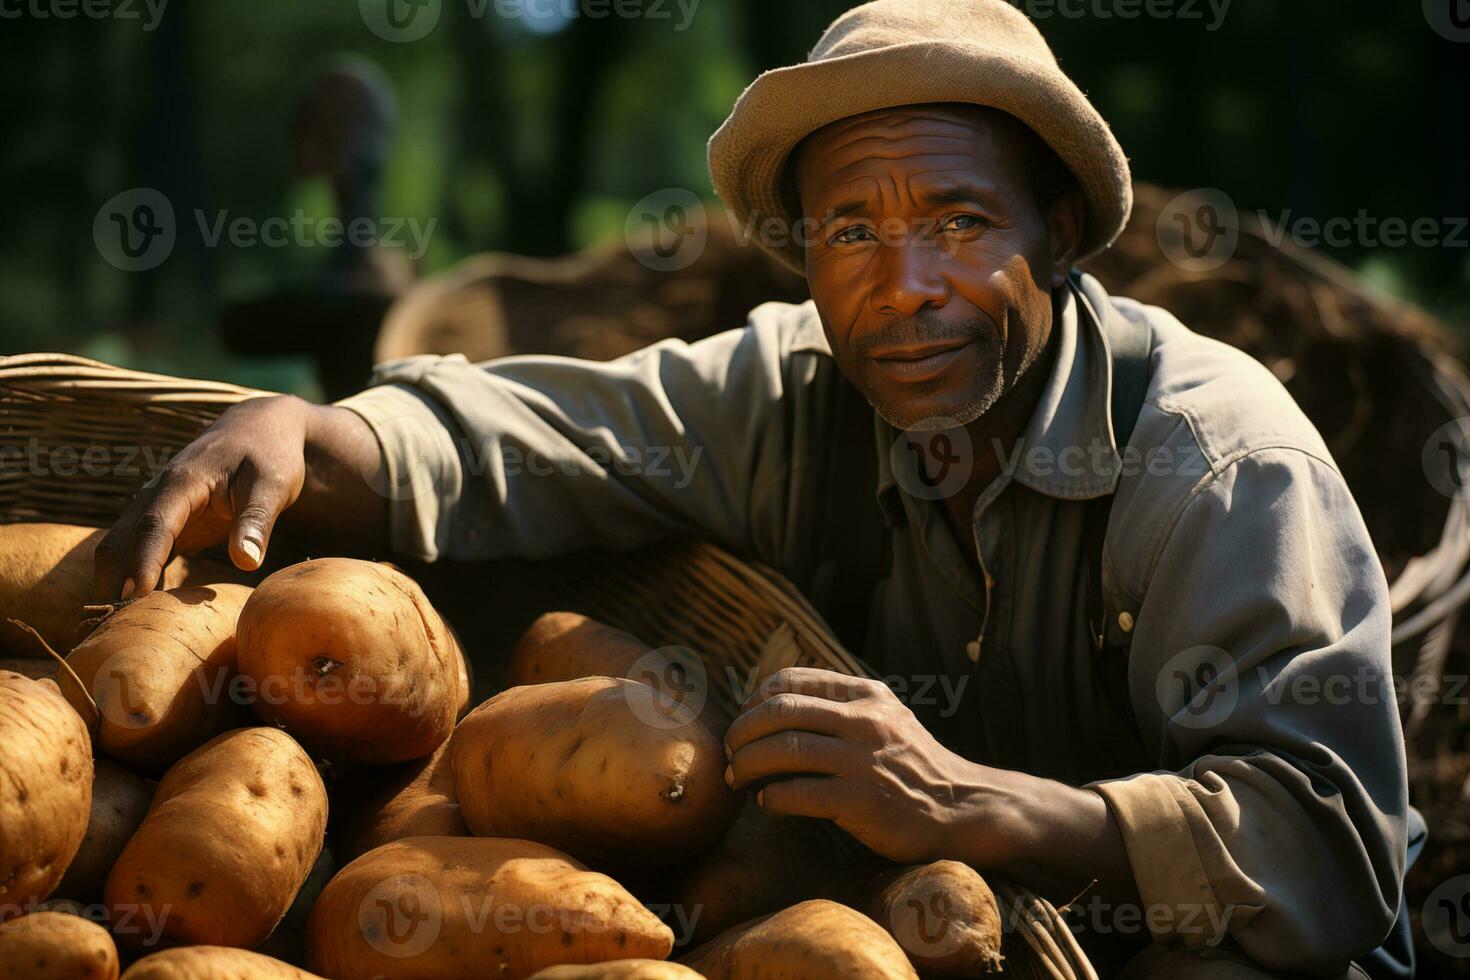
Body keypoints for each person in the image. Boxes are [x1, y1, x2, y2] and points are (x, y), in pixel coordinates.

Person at [96, 1, 1414, 975]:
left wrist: (973, 803)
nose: (901, 287)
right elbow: (531, 435)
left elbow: (1324, 856)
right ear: (801, 257)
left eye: (957, 223)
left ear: (1055, 235)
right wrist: (313, 437)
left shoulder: (1213, 463)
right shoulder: (792, 390)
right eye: (851, 230)